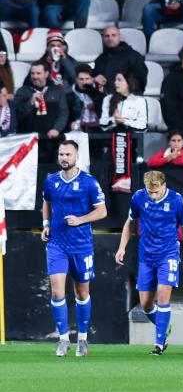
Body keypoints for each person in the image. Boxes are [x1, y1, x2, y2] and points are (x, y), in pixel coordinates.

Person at [115, 170, 183, 355]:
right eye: (150, 192)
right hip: (146, 255)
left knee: (163, 292)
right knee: (145, 304)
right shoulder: (138, 197)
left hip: (168, 254)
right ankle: (163, 325)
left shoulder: (176, 200)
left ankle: (159, 344)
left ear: (164, 185)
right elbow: (130, 222)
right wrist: (122, 247)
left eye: (156, 191)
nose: (153, 195)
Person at [41, 140, 107, 357]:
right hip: (57, 244)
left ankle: (82, 339)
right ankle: (63, 339)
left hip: (81, 244)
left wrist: (80, 220)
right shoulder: (51, 181)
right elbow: (46, 203)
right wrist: (46, 225)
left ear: (77, 156)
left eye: (68, 154)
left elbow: (102, 211)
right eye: (61, 154)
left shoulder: (89, 182)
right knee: (57, 291)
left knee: (82, 293)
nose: (64, 158)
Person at [14, 60, 69, 162]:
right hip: (28, 142)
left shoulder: (57, 91)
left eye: (38, 73)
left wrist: (57, 128)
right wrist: (30, 102)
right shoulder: (22, 91)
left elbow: (63, 113)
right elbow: (17, 114)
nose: (35, 76)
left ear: (46, 74)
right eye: (32, 73)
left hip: (51, 142)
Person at [93, 26, 148, 95]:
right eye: (107, 36)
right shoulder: (100, 58)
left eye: (114, 35)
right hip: (105, 100)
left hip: (128, 100)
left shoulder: (133, 55)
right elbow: (96, 76)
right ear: (103, 39)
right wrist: (96, 78)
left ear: (120, 37)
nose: (110, 38)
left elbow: (141, 79)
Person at [35, 30, 78, 94]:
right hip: (48, 95)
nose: (56, 48)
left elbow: (76, 79)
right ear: (47, 48)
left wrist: (65, 61)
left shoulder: (71, 60)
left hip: (67, 95)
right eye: (52, 46)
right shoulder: (40, 63)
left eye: (59, 46)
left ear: (63, 47)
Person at [68, 64, 103, 132]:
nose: (84, 82)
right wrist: (70, 124)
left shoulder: (99, 93)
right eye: (81, 79)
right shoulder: (70, 95)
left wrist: (93, 95)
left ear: (92, 79)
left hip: (97, 129)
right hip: (78, 129)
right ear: (76, 80)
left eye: (87, 79)